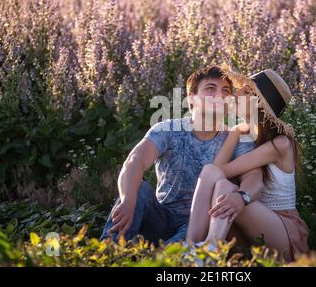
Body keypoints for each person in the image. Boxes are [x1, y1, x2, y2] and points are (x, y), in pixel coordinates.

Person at [99, 66, 263, 245]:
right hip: (161, 218)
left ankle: (164, 259)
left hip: (201, 224)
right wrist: (127, 200)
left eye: (225, 91)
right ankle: (106, 254)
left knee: (178, 248)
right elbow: (135, 161)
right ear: (192, 98)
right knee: (140, 190)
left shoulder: (235, 138)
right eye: (210, 89)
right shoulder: (169, 130)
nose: (220, 95)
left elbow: (254, 178)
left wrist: (241, 196)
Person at [186, 69, 309, 262]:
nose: (235, 94)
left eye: (246, 92)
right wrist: (235, 132)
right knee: (220, 183)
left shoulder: (280, 144)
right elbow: (215, 171)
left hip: (282, 229)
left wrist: (234, 133)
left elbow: (224, 170)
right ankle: (193, 249)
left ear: (259, 105)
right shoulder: (244, 134)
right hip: (254, 223)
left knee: (221, 183)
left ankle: (208, 249)